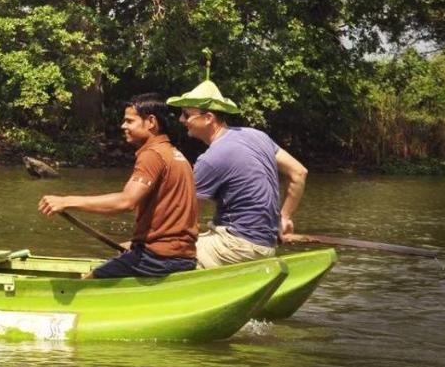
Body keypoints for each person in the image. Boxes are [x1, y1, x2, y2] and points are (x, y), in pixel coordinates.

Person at [37, 93, 198, 278]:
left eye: (130, 121)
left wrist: (66, 201)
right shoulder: (174, 153)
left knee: (87, 282)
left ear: (151, 122)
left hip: (158, 259)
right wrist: (137, 243)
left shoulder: (152, 155)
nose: (123, 126)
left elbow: (126, 202)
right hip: (182, 256)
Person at [169, 76, 309, 268]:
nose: (181, 120)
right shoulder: (257, 135)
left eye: (186, 114)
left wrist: (148, 245)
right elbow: (299, 173)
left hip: (237, 247)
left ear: (208, 118)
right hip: (266, 245)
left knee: (168, 255)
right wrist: (284, 218)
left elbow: (181, 215)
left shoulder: (210, 159)